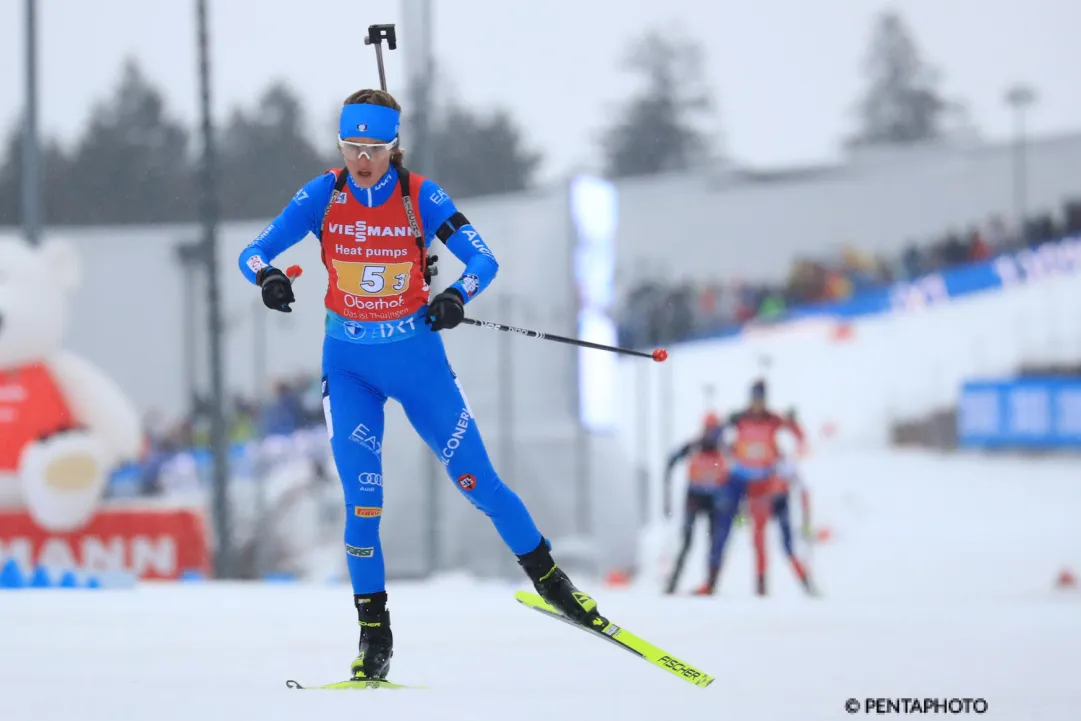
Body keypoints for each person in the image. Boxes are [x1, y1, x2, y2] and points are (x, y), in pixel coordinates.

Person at [237, 88, 604, 682]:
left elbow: (483, 260)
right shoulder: (322, 195)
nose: (362, 159)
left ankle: (552, 581)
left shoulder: (420, 196)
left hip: (417, 361)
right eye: (352, 146)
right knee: (363, 503)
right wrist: (271, 276)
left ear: (393, 147)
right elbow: (251, 252)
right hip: (350, 367)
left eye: (375, 148)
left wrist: (457, 295)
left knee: (478, 481)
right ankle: (374, 634)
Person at [700, 379, 808, 595]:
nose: (756, 404)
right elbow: (712, 437)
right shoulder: (740, 418)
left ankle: (760, 588)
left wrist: (794, 422)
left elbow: (799, 437)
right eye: (753, 399)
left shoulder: (773, 420)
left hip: (762, 482)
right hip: (738, 479)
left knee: (759, 535)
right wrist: (720, 433)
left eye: (760, 399)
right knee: (722, 530)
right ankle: (710, 583)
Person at [661, 412, 729, 595]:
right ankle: (673, 582)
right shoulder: (694, 446)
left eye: (714, 430)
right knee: (687, 541)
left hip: (715, 500)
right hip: (694, 498)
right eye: (708, 429)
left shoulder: (724, 449)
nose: (711, 434)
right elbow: (671, 461)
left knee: (714, 542)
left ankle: (711, 584)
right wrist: (666, 494)